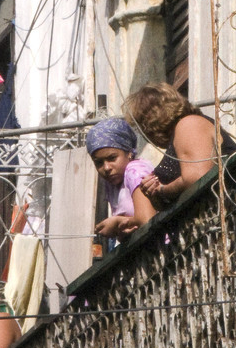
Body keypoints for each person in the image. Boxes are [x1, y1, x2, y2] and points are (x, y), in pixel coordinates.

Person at [124, 83, 228, 223]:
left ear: (150, 121)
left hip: (231, 221)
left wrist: (162, 190)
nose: (144, 134)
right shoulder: (179, 136)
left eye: (141, 126)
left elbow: (196, 177)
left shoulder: (189, 124)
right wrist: (154, 193)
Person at [85, 117, 154, 247]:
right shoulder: (112, 183)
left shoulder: (135, 171)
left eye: (112, 158)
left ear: (128, 153)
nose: (106, 168)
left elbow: (147, 220)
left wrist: (117, 223)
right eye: (98, 163)